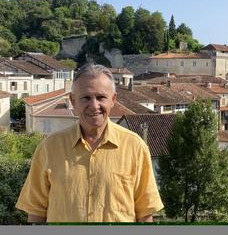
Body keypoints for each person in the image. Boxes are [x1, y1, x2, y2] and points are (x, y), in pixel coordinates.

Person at [16, 64, 163, 222]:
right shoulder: (49, 148)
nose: (94, 105)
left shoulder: (135, 147)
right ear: (73, 101)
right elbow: (36, 213)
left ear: (113, 100)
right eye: (86, 98)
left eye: (101, 97)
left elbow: (145, 213)